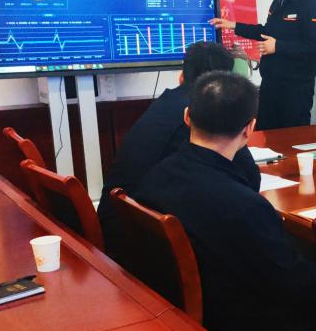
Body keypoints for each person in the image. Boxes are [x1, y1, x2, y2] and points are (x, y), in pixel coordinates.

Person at [134, 71, 316, 331]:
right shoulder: (244, 206)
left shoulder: (155, 177)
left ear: (187, 117)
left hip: (177, 315)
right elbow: (295, 284)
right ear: (249, 129)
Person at [97, 42, 260, 257]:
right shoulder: (206, 111)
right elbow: (250, 181)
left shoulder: (167, 101)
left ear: (182, 75)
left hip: (123, 221)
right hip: (136, 243)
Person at [210, 0, 316, 130]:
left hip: (294, 92)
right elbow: (267, 32)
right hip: (270, 87)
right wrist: (233, 26)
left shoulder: (311, 5)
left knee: (292, 140)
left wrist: (278, 46)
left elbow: (315, 49)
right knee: (264, 138)